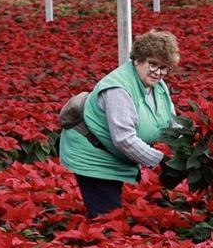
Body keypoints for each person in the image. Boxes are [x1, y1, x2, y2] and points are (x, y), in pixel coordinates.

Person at [59, 30, 179, 218]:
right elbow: (124, 139)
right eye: (153, 64)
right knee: (108, 220)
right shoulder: (119, 89)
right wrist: (161, 161)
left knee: (118, 217)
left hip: (116, 155)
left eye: (164, 67)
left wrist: (185, 154)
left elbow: (172, 123)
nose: (158, 72)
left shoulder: (158, 86)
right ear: (138, 60)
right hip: (92, 154)